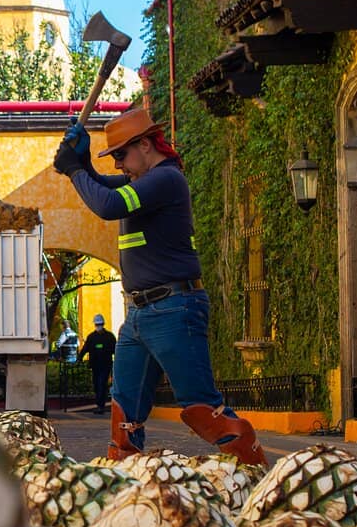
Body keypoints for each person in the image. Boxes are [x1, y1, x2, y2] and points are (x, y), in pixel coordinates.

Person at [51, 109, 266, 465]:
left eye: (121, 154)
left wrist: (75, 170)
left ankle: (260, 474)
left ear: (146, 144)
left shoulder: (166, 180)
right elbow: (104, 188)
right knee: (125, 414)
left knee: (201, 408)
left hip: (173, 308)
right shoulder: (145, 183)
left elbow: (108, 205)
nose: (119, 165)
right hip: (140, 313)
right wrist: (83, 165)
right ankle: (126, 481)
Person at [78, 313, 115, 414]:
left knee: (102, 384)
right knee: (96, 384)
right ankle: (99, 404)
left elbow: (115, 349)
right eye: (97, 325)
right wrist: (79, 358)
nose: (99, 327)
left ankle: (101, 406)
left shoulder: (109, 337)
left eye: (100, 324)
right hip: (95, 365)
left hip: (105, 365)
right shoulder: (91, 337)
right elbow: (85, 348)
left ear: (103, 324)